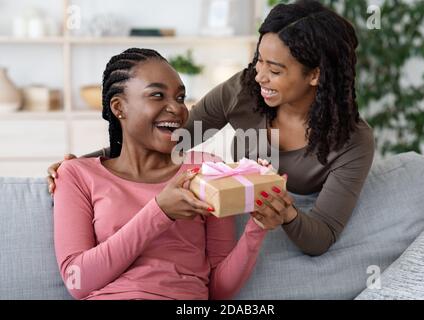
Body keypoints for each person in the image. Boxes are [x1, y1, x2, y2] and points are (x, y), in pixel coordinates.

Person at [49, 0, 374, 257]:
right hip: (227, 228)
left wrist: (285, 212)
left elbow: (322, 236)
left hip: (287, 231)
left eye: (274, 70)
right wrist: (83, 163)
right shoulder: (245, 90)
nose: (260, 75)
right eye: (258, 60)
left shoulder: (353, 141)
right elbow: (175, 138)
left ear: (315, 75)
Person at [53, 48, 275, 300]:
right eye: (157, 95)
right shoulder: (76, 175)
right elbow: (77, 281)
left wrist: (258, 226)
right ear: (119, 107)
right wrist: (160, 212)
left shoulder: (205, 170)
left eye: (180, 98)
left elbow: (218, 289)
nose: (176, 109)